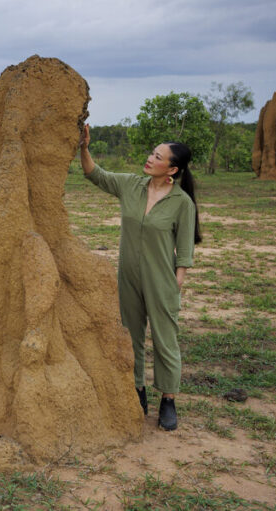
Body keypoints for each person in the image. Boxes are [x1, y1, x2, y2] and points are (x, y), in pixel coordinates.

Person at [78, 124, 200, 431]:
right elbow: (96, 174)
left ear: (171, 169)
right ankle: (137, 391)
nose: (149, 158)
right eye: (151, 153)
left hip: (162, 280)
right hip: (128, 276)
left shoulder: (182, 203)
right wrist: (84, 147)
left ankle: (168, 400)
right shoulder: (131, 186)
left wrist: (177, 281)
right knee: (131, 336)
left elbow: (184, 248)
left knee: (164, 340)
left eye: (157, 157)